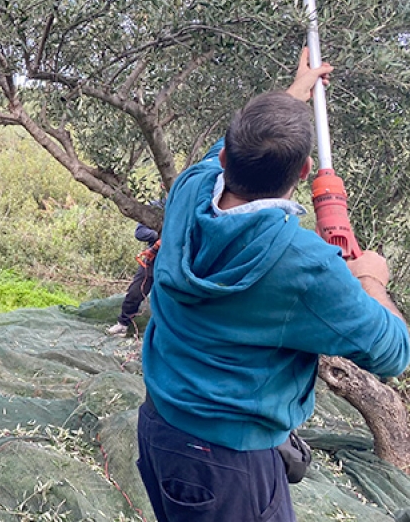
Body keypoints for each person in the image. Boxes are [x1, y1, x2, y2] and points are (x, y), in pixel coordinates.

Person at [136, 48, 410, 522]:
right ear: (303, 172)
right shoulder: (304, 264)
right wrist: (370, 277)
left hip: (161, 427)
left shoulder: (189, 188)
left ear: (226, 157)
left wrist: (294, 93)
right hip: (230, 464)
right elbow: (393, 352)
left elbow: (222, 154)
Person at [107, 196, 166, 336]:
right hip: (153, 257)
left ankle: (167, 332)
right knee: (135, 291)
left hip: (177, 259)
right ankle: (123, 324)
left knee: (170, 296)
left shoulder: (186, 206)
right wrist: (160, 236)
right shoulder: (155, 207)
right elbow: (140, 232)